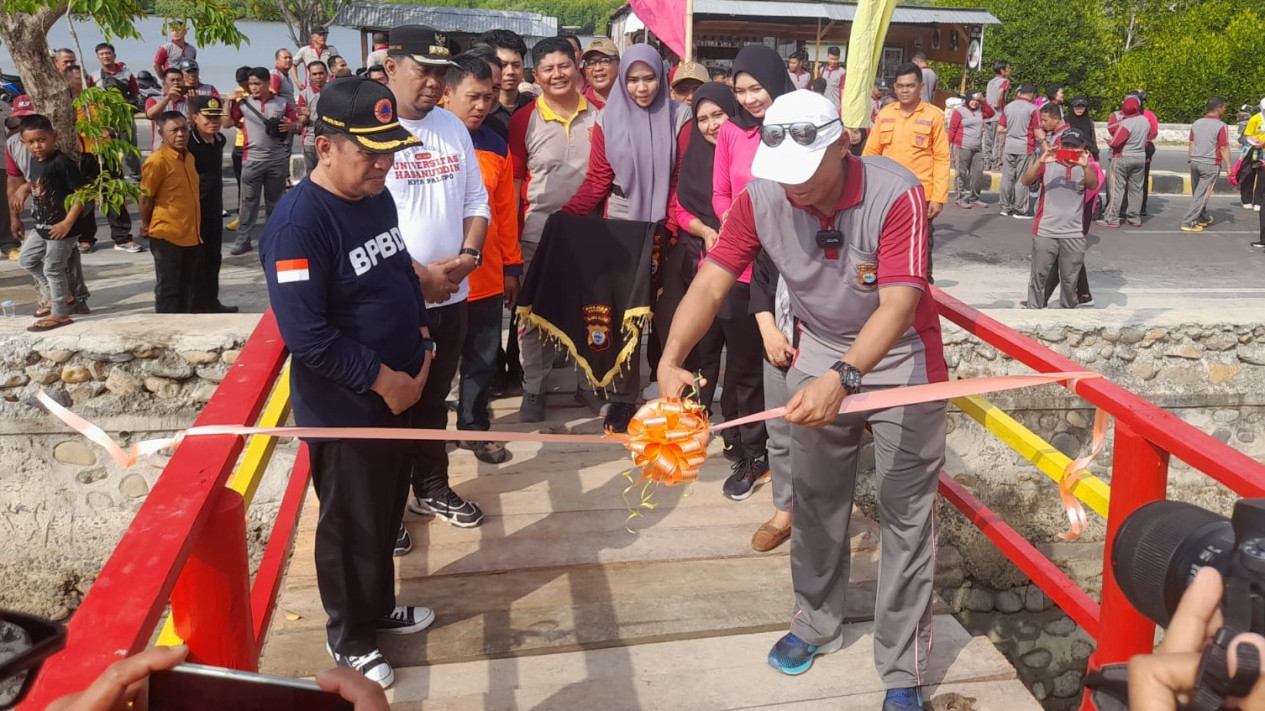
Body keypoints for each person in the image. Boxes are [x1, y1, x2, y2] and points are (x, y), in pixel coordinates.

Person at [661, 88, 946, 711]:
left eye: (807, 175)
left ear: (841, 145)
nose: (795, 190)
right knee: (814, 501)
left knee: (906, 514)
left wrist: (844, 376)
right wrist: (672, 356)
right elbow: (712, 281)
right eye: (782, 176)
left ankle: (904, 667)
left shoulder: (895, 193)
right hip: (817, 349)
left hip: (902, 359)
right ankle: (815, 622)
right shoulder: (763, 193)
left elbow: (899, 304)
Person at [260, 76, 434, 689]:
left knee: (387, 509)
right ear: (325, 146)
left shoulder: (375, 196)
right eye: (370, 153)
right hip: (349, 403)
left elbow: (399, 272)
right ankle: (349, 636)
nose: (383, 166)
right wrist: (385, 381)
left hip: (401, 387)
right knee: (350, 520)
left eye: (389, 152)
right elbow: (306, 335)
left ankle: (377, 605)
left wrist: (423, 341)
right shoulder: (298, 227)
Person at [383, 25, 490, 536]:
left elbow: (476, 201)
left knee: (433, 399)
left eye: (440, 72)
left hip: (453, 291)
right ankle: (385, 505)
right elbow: (367, 220)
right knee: (389, 403)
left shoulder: (451, 127)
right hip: (395, 299)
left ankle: (430, 487)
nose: (432, 82)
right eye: (421, 70)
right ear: (391, 68)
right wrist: (418, 276)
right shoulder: (372, 130)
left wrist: (469, 256)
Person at [559, 43, 692, 432]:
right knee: (623, 315)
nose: (640, 88)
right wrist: (564, 216)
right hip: (620, 224)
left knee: (667, 314)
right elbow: (599, 179)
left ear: (661, 77)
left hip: (666, 227)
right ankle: (622, 397)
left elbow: (679, 178)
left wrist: (665, 226)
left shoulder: (679, 115)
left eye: (648, 78)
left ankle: (669, 389)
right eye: (632, 80)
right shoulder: (607, 119)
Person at [710, 44, 794, 500]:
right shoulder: (731, 133)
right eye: (740, 91)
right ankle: (751, 451)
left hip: (791, 261)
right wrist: (734, 220)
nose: (748, 99)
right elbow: (720, 192)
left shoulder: (796, 127)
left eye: (756, 88)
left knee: (782, 363)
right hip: (743, 262)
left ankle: (787, 453)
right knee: (742, 366)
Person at [509, 37, 599, 424]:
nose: (558, 74)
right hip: (536, 235)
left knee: (588, 315)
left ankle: (588, 383)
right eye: (548, 69)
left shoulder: (600, 114)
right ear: (536, 76)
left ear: (577, 67)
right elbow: (512, 183)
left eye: (564, 65)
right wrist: (511, 241)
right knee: (533, 319)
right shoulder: (523, 119)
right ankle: (534, 389)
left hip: (588, 235)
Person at [444, 52, 522, 465]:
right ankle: (430, 434)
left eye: (489, 98)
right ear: (447, 93)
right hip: (434, 280)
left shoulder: (494, 142)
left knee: (481, 360)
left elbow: (505, 210)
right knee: (434, 363)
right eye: (473, 97)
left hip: (487, 275)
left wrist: (512, 264)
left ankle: (475, 428)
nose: (481, 106)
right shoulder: (422, 137)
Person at [863, 62, 950, 279]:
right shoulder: (885, 114)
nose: (904, 90)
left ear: (921, 87)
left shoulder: (934, 116)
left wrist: (938, 197)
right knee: (882, 242)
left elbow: (941, 158)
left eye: (910, 86)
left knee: (921, 245)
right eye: (900, 86)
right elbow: (871, 153)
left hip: (921, 194)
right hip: (886, 194)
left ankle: (924, 287)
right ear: (894, 87)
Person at [7, 104, 91, 312]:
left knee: (53, 268)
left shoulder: (62, 163)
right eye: (32, 142)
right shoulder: (36, 161)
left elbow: (82, 194)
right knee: (26, 260)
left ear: (54, 136)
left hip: (62, 228)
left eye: (42, 140)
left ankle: (60, 312)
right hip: (42, 226)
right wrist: (25, 188)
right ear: (23, 143)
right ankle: (60, 296)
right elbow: (41, 181)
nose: (37, 146)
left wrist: (67, 223)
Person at [1021, 127, 1099, 309]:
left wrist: (1085, 165)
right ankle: (1034, 310)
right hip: (1046, 230)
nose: (1069, 149)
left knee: (1070, 280)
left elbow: (1093, 184)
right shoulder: (1048, 163)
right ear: (1060, 144)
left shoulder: (1087, 166)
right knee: (1039, 276)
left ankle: (1067, 313)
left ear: (1082, 147)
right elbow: (1026, 181)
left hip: (1073, 233)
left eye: (1074, 146)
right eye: (1066, 144)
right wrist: (1041, 161)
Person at [226, 66, 300, 255]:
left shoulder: (282, 104)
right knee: (248, 202)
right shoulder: (243, 103)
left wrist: (292, 125)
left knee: (275, 203)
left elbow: (298, 124)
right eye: (251, 84)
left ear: (268, 83)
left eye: (258, 84)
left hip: (277, 161)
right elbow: (226, 124)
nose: (254, 88)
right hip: (251, 160)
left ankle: (275, 239)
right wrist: (228, 101)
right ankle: (243, 240)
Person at [140, 111, 202, 313]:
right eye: (174, 130)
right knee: (168, 289)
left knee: (187, 287)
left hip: (191, 235)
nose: (181, 134)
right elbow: (146, 198)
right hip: (166, 234)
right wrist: (146, 224)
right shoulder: (157, 161)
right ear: (161, 133)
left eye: (184, 128)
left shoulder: (189, 157)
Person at [187, 95, 237, 313]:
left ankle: (211, 302)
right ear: (195, 117)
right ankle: (194, 305)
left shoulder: (219, 140)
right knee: (194, 261)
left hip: (214, 208)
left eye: (216, 117)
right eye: (208, 117)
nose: (213, 122)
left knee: (213, 258)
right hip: (193, 210)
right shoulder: (188, 143)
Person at [88, 42, 142, 177]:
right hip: (104, 119)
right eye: (102, 54)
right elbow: (90, 97)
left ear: (114, 55)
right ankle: (113, 175)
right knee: (107, 148)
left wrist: (127, 105)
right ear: (97, 58)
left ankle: (136, 175)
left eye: (108, 53)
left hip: (125, 118)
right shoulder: (94, 77)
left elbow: (135, 93)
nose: (105, 56)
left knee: (130, 148)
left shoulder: (127, 73)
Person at [1181, 97, 1232, 233]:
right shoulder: (1221, 126)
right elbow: (1224, 147)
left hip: (1196, 162)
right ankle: (1189, 221)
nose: (1225, 109)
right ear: (1219, 108)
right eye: (1224, 107)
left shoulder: (1196, 123)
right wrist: (1228, 166)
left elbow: (1191, 142)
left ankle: (1202, 217)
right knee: (1202, 194)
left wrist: (1190, 161)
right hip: (1210, 164)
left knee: (1198, 193)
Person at [1099, 95, 1149, 228]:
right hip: (1139, 157)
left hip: (1123, 157)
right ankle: (1134, 217)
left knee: (1117, 188)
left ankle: (1112, 218)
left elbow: (1116, 143)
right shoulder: (1145, 121)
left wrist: (1110, 142)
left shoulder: (1126, 124)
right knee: (1136, 188)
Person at [476, 29, 532, 139]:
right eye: (503, 65)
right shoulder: (479, 111)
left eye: (516, 65)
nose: (510, 72)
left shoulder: (533, 109)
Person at [997, 83, 1041, 218]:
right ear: (1032, 94)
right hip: (1025, 147)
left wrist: (1012, 131)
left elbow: (1000, 129)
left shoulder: (1008, 107)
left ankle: (1005, 206)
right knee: (1023, 178)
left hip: (1009, 146)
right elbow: (1037, 130)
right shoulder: (1033, 109)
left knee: (1007, 177)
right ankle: (1020, 208)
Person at [948, 90, 993, 209]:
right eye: (972, 100)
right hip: (962, 146)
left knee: (978, 173)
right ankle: (959, 198)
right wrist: (947, 145)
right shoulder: (959, 111)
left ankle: (974, 198)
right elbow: (952, 129)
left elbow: (991, 113)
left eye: (977, 101)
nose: (974, 103)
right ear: (967, 100)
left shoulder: (980, 111)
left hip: (977, 147)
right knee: (961, 174)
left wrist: (983, 101)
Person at [224, 65, 252, 233]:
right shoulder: (236, 95)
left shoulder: (264, 91)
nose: (245, 87)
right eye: (241, 83)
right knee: (242, 183)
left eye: (246, 83)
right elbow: (228, 122)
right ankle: (241, 217)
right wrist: (229, 100)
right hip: (241, 144)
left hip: (260, 146)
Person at [144, 68, 188, 150]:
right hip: (160, 151)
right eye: (172, 80)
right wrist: (168, 98)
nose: (176, 83)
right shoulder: (154, 100)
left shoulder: (188, 102)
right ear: (164, 83)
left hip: (184, 152)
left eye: (179, 80)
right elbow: (150, 115)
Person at [297, 60, 329, 173]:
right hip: (311, 141)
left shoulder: (335, 91)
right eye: (314, 74)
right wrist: (305, 117)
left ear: (326, 73)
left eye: (321, 73)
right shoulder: (304, 94)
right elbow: (301, 122)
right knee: (312, 176)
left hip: (331, 140)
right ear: (309, 75)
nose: (318, 77)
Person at [983, 61, 1010, 170]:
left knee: (988, 141)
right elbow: (1000, 92)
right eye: (1008, 68)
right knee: (998, 142)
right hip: (999, 115)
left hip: (988, 115)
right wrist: (998, 103)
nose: (1009, 70)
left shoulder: (990, 82)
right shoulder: (1005, 81)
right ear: (1002, 70)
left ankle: (986, 163)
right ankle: (996, 166)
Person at [581, 38, 619, 108]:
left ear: (619, 65)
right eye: (591, 62)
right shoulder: (578, 106)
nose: (597, 68)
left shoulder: (633, 101)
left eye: (605, 61)